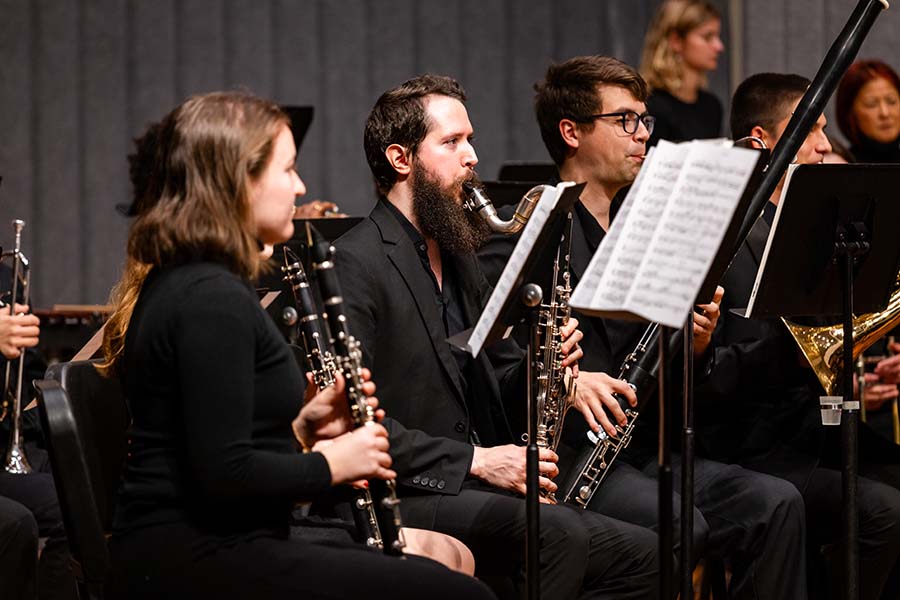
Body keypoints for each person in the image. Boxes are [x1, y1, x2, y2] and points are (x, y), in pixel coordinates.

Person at [98, 91, 495, 600]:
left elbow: (210, 439)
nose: (301, 187)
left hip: (217, 540)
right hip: (195, 557)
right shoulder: (208, 298)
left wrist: (305, 430)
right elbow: (223, 476)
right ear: (238, 182)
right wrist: (335, 463)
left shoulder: (198, 281)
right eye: (287, 171)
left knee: (451, 564)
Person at [480, 55, 807, 599]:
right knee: (684, 525)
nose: (641, 136)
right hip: (570, 455)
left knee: (776, 503)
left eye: (644, 121)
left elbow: (668, 371)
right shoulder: (524, 234)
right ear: (571, 132)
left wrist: (696, 344)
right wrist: (568, 381)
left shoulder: (650, 228)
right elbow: (489, 355)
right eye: (624, 121)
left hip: (644, 446)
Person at [334, 73, 659, 599]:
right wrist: (479, 461)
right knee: (558, 534)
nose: (472, 158)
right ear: (400, 159)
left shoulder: (460, 255)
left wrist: (546, 371)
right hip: (407, 490)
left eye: (471, 139)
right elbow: (355, 424)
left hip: (474, 479)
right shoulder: (356, 263)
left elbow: (495, 378)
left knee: (649, 557)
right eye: (452, 142)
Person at [698, 72, 900, 600]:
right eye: (808, 129)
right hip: (756, 447)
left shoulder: (804, 227)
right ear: (762, 141)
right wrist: (802, 351)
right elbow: (715, 377)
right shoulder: (726, 238)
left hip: (814, 428)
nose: (825, 144)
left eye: (824, 128)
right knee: (883, 511)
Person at [0, 265, 77, 600]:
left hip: (9, 441)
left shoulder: (6, 277)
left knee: (94, 487)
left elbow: (26, 373)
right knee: (64, 509)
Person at [640, 0, 726, 145]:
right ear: (676, 41)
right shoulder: (650, 105)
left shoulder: (712, 106)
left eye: (717, 37)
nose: (719, 46)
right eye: (707, 37)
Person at [836, 59, 900, 163]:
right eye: (871, 104)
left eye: (891, 101)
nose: (885, 113)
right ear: (850, 113)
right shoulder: (841, 168)